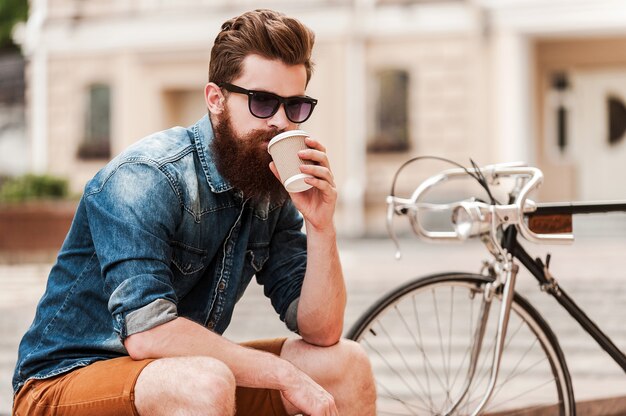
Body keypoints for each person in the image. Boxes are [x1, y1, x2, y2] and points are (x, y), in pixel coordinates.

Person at [12, 8, 376, 416]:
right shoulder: (146, 177)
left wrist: (321, 225)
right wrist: (283, 375)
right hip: (64, 381)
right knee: (204, 381)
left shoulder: (268, 187)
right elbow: (149, 334)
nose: (280, 122)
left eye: (294, 106)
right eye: (262, 102)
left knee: (344, 365)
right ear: (215, 99)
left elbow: (321, 330)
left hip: (175, 375)